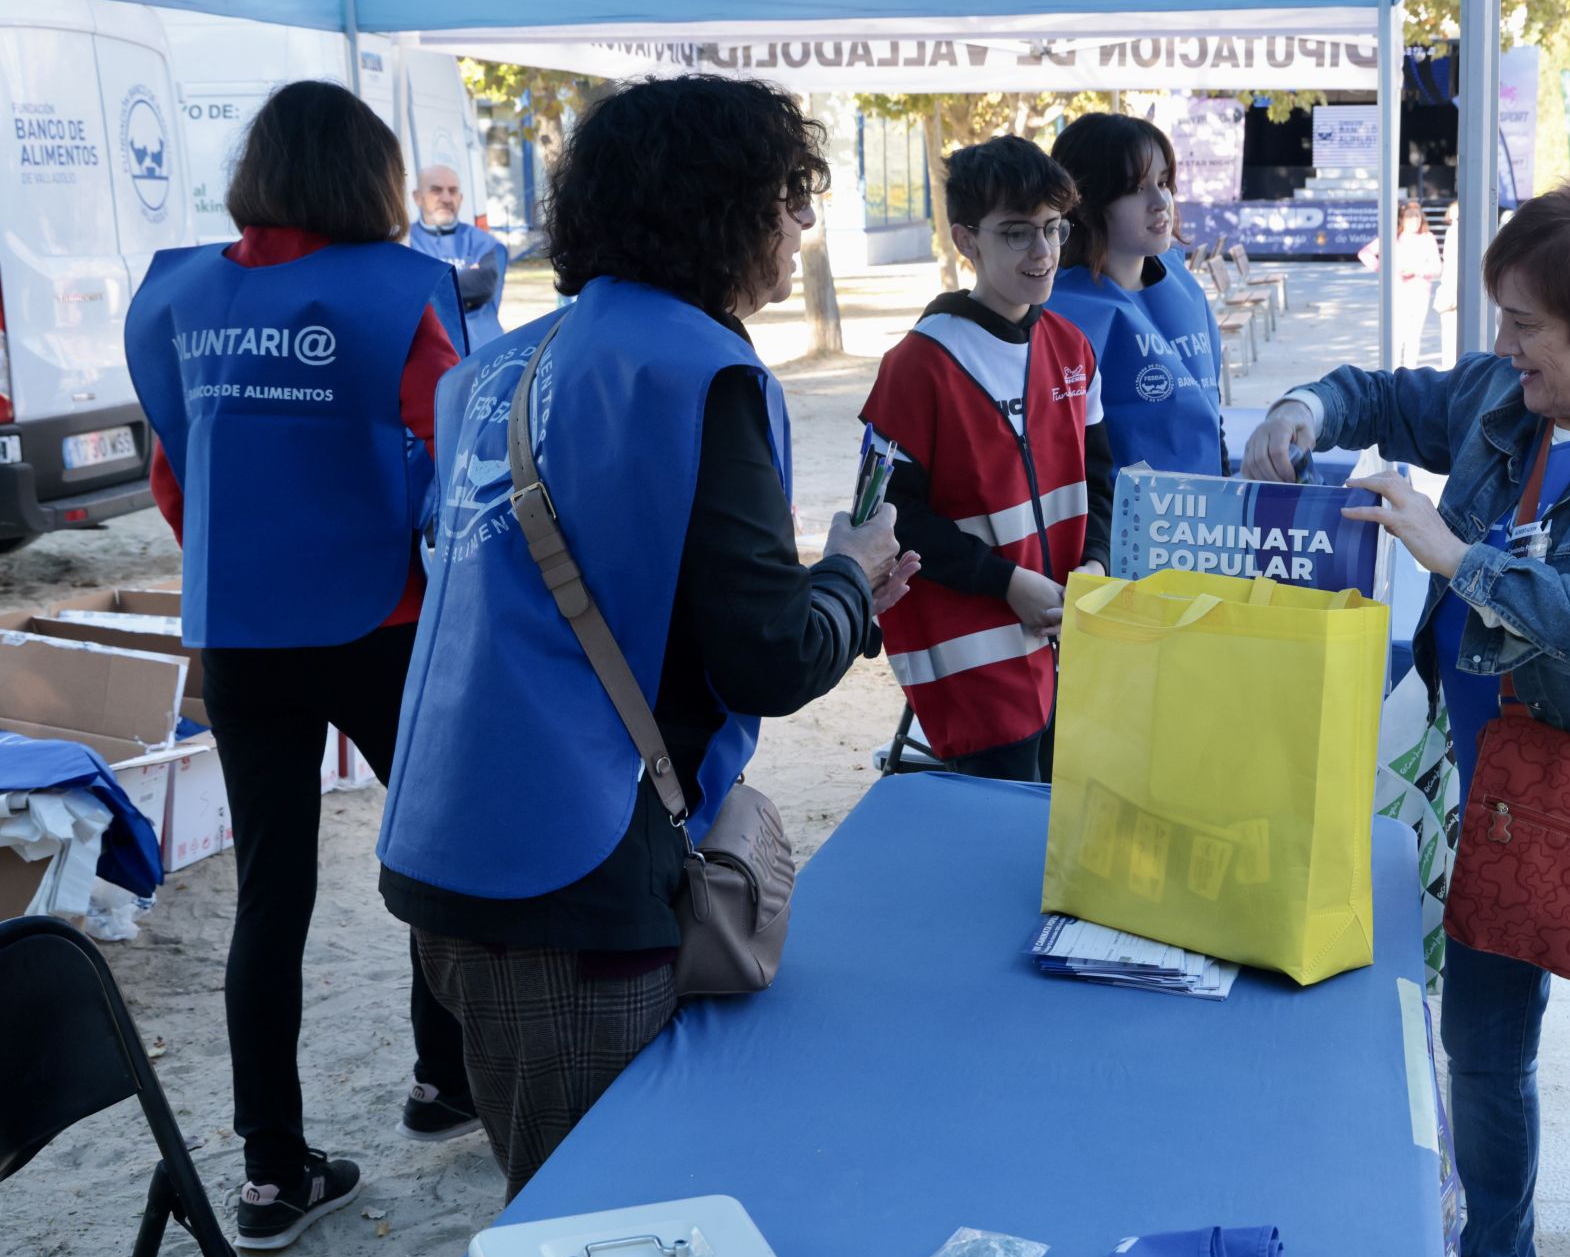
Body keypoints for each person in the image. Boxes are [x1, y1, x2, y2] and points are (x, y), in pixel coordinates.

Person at [376, 76, 916, 1199]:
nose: (800, 225)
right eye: (787, 198)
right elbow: (769, 653)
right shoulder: (694, 369)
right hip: (574, 866)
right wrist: (851, 578)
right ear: (721, 208)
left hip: (453, 838)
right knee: (596, 1213)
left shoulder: (500, 363)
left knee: (558, 1180)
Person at [1244, 177, 1570, 1257]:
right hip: (1500, 795)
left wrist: (1460, 559)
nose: (1502, 346)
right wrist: (1303, 408)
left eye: (1526, 325)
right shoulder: (1504, 394)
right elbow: (1384, 396)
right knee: (1480, 1056)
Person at [123, 80, 475, 1251]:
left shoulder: (183, 297)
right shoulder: (394, 292)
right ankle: (444, 1080)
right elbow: (454, 450)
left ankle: (271, 1173)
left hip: (240, 631)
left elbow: (177, 476)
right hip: (383, 622)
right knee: (434, 852)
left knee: (270, 897)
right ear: (369, 177)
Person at [861, 135, 1114, 781]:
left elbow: (1099, 479)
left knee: (1065, 814)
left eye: (1054, 228)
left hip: (1068, 637)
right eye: (1017, 233)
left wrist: (1095, 562)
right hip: (975, 659)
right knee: (1006, 821)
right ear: (965, 240)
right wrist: (1005, 582)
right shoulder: (917, 364)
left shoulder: (1072, 348)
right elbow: (889, 517)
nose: (1044, 252)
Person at [1047, 113, 1226, 477]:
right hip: (1120, 510)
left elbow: (1210, 411)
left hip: (1208, 503)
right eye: (1136, 188)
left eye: (1163, 182)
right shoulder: (1059, 314)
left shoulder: (1182, 283)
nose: (1161, 201)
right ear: (1086, 203)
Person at [409, 163, 508, 346]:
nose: (447, 198)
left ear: (461, 198)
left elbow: (484, 285)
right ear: (418, 198)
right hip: (427, 349)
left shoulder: (482, 241)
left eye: (453, 191)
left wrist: (424, 287)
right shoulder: (405, 241)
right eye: (436, 190)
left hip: (480, 349)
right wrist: (462, 280)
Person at [1359, 199, 1445, 369]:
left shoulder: (1427, 238)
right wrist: (1384, 269)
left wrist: (1417, 271)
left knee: (1414, 336)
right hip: (1397, 292)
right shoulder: (1393, 238)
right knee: (1397, 335)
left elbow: (1437, 267)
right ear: (1402, 219)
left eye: (1417, 217)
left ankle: (1409, 372)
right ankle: (1393, 371)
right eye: (1410, 217)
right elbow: (1365, 253)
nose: (1414, 221)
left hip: (1420, 293)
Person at [1436, 199, 1461, 369]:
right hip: (1450, 288)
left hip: (1453, 288)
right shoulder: (1452, 232)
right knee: (1449, 336)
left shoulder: (1455, 232)